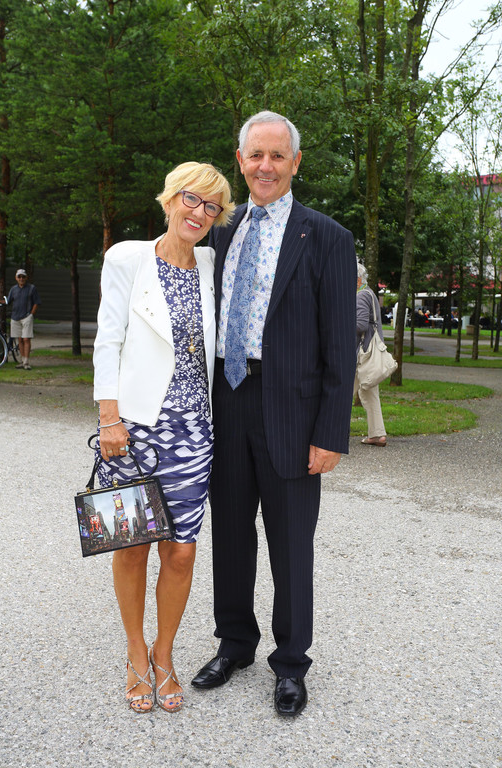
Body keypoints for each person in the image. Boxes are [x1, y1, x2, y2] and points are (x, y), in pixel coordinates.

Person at [191, 111, 357, 716]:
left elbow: (340, 344)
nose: (266, 166)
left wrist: (330, 432)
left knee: (291, 545)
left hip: (293, 411)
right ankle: (235, 644)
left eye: (277, 156)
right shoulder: (221, 232)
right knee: (231, 536)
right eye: (255, 155)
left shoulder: (328, 238)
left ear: (295, 163)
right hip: (227, 399)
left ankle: (290, 664)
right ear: (240, 161)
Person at [92, 162, 234, 714]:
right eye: (191, 199)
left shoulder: (211, 265)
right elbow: (108, 340)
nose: (199, 212)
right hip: (131, 429)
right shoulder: (127, 257)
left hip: (194, 430)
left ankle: (165, 653)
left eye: (211, 206)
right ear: (170, 199)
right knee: (131, 548)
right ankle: (135, 653)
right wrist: (109, 417)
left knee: (180, 552)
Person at [354, 263, 387, 447]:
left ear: (358, 279)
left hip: (361, 353)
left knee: (341, 393)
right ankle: (377, 434)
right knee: (369, 392)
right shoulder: (370, 293)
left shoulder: (360, 296)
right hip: (369, 352)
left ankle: (334, 434)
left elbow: (360, 325)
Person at [0, 269, 41, 369]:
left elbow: (37, 302)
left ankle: (26, 362)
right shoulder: (13, 289)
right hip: (15, 317)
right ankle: (22, 361)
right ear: (16, 278)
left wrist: (31, 314)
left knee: (26, 338)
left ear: (26, 277)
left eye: (23, 277)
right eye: (19, 277)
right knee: (20, 339)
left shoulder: (32, 288)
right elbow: (8, 301)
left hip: (26, 316)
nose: (21, 278)